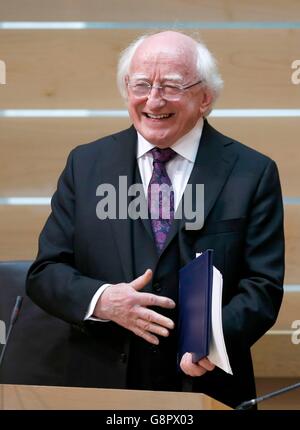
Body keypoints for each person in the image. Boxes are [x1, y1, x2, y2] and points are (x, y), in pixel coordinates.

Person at [26, 31, 284, 408]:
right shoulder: (85, 164)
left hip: (206, 386)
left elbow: (262, 285)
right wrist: (102, 300)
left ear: (205, 97)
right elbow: (46, 272)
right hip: (99, 386)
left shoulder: (252, 171)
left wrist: (211, 342)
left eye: (172, 86)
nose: (154, 100)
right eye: (142, 85)